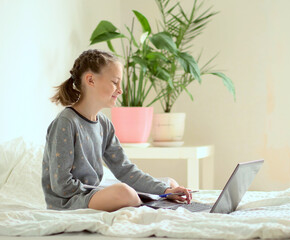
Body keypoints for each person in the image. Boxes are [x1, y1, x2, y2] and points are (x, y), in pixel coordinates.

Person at [41, 49, 192, 212]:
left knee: (169, 183)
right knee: (124, 192)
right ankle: (145, 200)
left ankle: (154, 198)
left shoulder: (104, 124)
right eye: (115, 82)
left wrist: (164, 191)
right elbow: (61, 185)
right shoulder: (66, 122)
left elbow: (125, 170)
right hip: (69, 201)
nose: (120, 90)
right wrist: (104, 192)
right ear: (90, 80)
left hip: (91, 195)